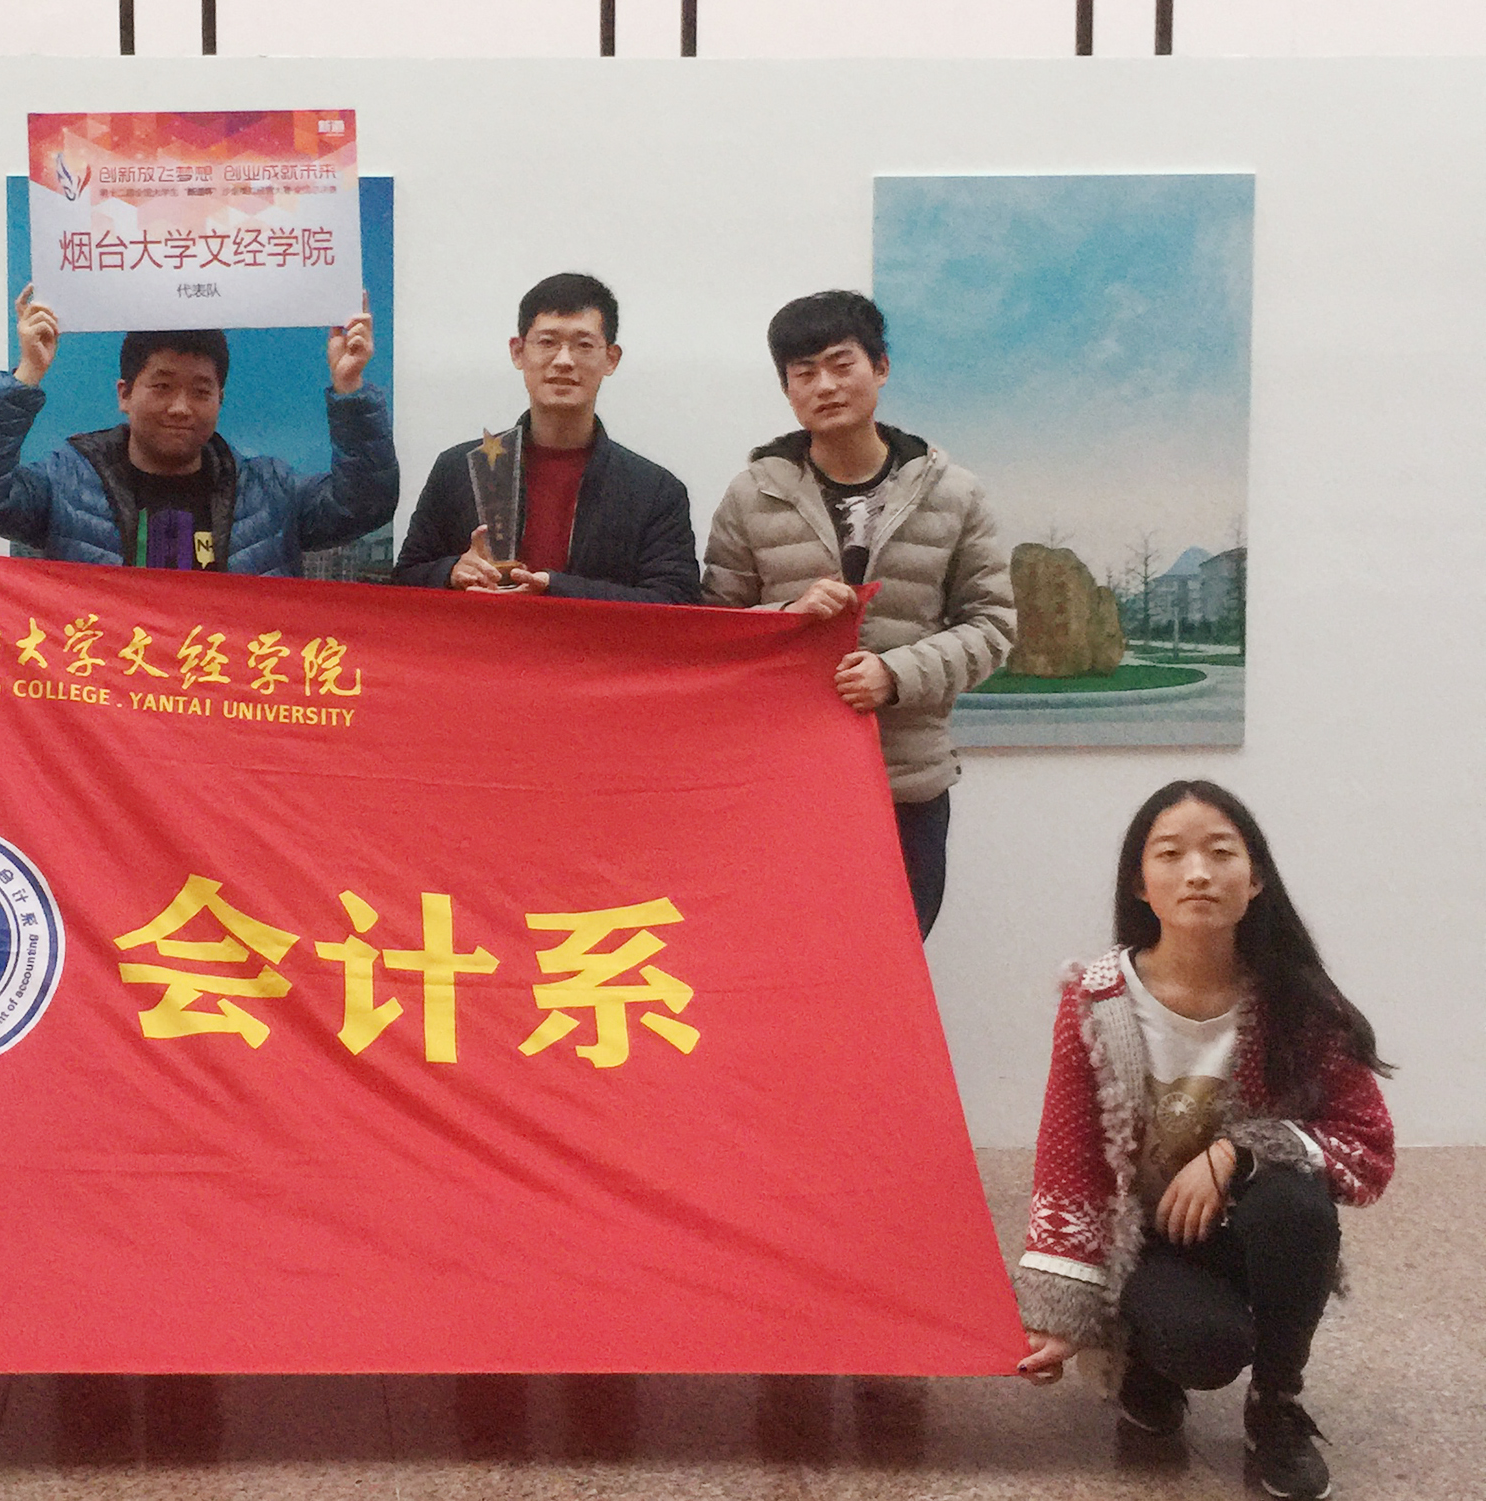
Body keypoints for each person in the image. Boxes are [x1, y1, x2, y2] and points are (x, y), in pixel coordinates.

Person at [1013, 781, 1393, 1501]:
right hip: (1149, 1242)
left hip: (1249, 1230)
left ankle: (1276, 1404)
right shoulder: (1095, 1000)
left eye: (1221, 853)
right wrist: (1060, 1318)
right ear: (1140, 882)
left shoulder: (1300, 1002)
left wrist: (1238, 1151)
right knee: (1206, 1348)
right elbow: (1072, 1159)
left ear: (1255, 879)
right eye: (1171, 854)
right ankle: (1146, 1356)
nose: (1197, 873)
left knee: (1296, 1199)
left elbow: (1367, 1147)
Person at [702, 291, 1013, 937]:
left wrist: (895, 675)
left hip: (907, 787)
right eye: (804, 372)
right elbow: (714, 634)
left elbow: (992, 626)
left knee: (896, 958)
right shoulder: (751, 495)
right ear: (787, 389)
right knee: (785, 960)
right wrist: (788, 615)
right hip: (784, 783)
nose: (825, 385)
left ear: (881, 367)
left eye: (841, 364)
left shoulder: (954, 494)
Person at [0, 285, 394, 575]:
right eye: (162, 386)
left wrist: (350, 388)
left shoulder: (269, 492)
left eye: (201, 391)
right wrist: (27, 375)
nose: (181, 407)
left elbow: (365, 505)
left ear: (220, 399)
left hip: (231, 693)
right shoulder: (67, 483)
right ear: (124, 393)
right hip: (104, 696)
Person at [394, 272, 698, 603]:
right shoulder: (459, 469)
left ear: (611, 359)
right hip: (480, 637)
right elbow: (404, 581)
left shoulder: (654, 491)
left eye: (583, 345)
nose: (564, 360)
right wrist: (451, 573)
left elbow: (676, 601)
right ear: (518, 352)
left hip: (585, 639)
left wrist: (557, 590)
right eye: (547, 342)